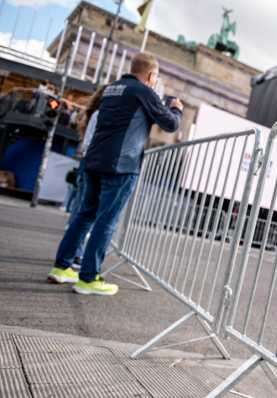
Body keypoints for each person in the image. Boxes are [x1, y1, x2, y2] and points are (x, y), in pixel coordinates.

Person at [47, 52, 183, 296]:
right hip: (120, 165)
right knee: (105, 221)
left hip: (94, 161)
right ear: (151, 75)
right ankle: (88, 278)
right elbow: (170, 124)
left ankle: (61, 267)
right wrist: (176, 109)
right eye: (156, 77)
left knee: (83, 216)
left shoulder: (112, 88)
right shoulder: (143, 91)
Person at [65, 85, 107, 269]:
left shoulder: (95, 113)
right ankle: (75, 253)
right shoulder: (100, 114)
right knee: (84, 210)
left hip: (86, 162)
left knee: (80, 209)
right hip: (91, 162)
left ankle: (71, 252)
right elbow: (90, 143)